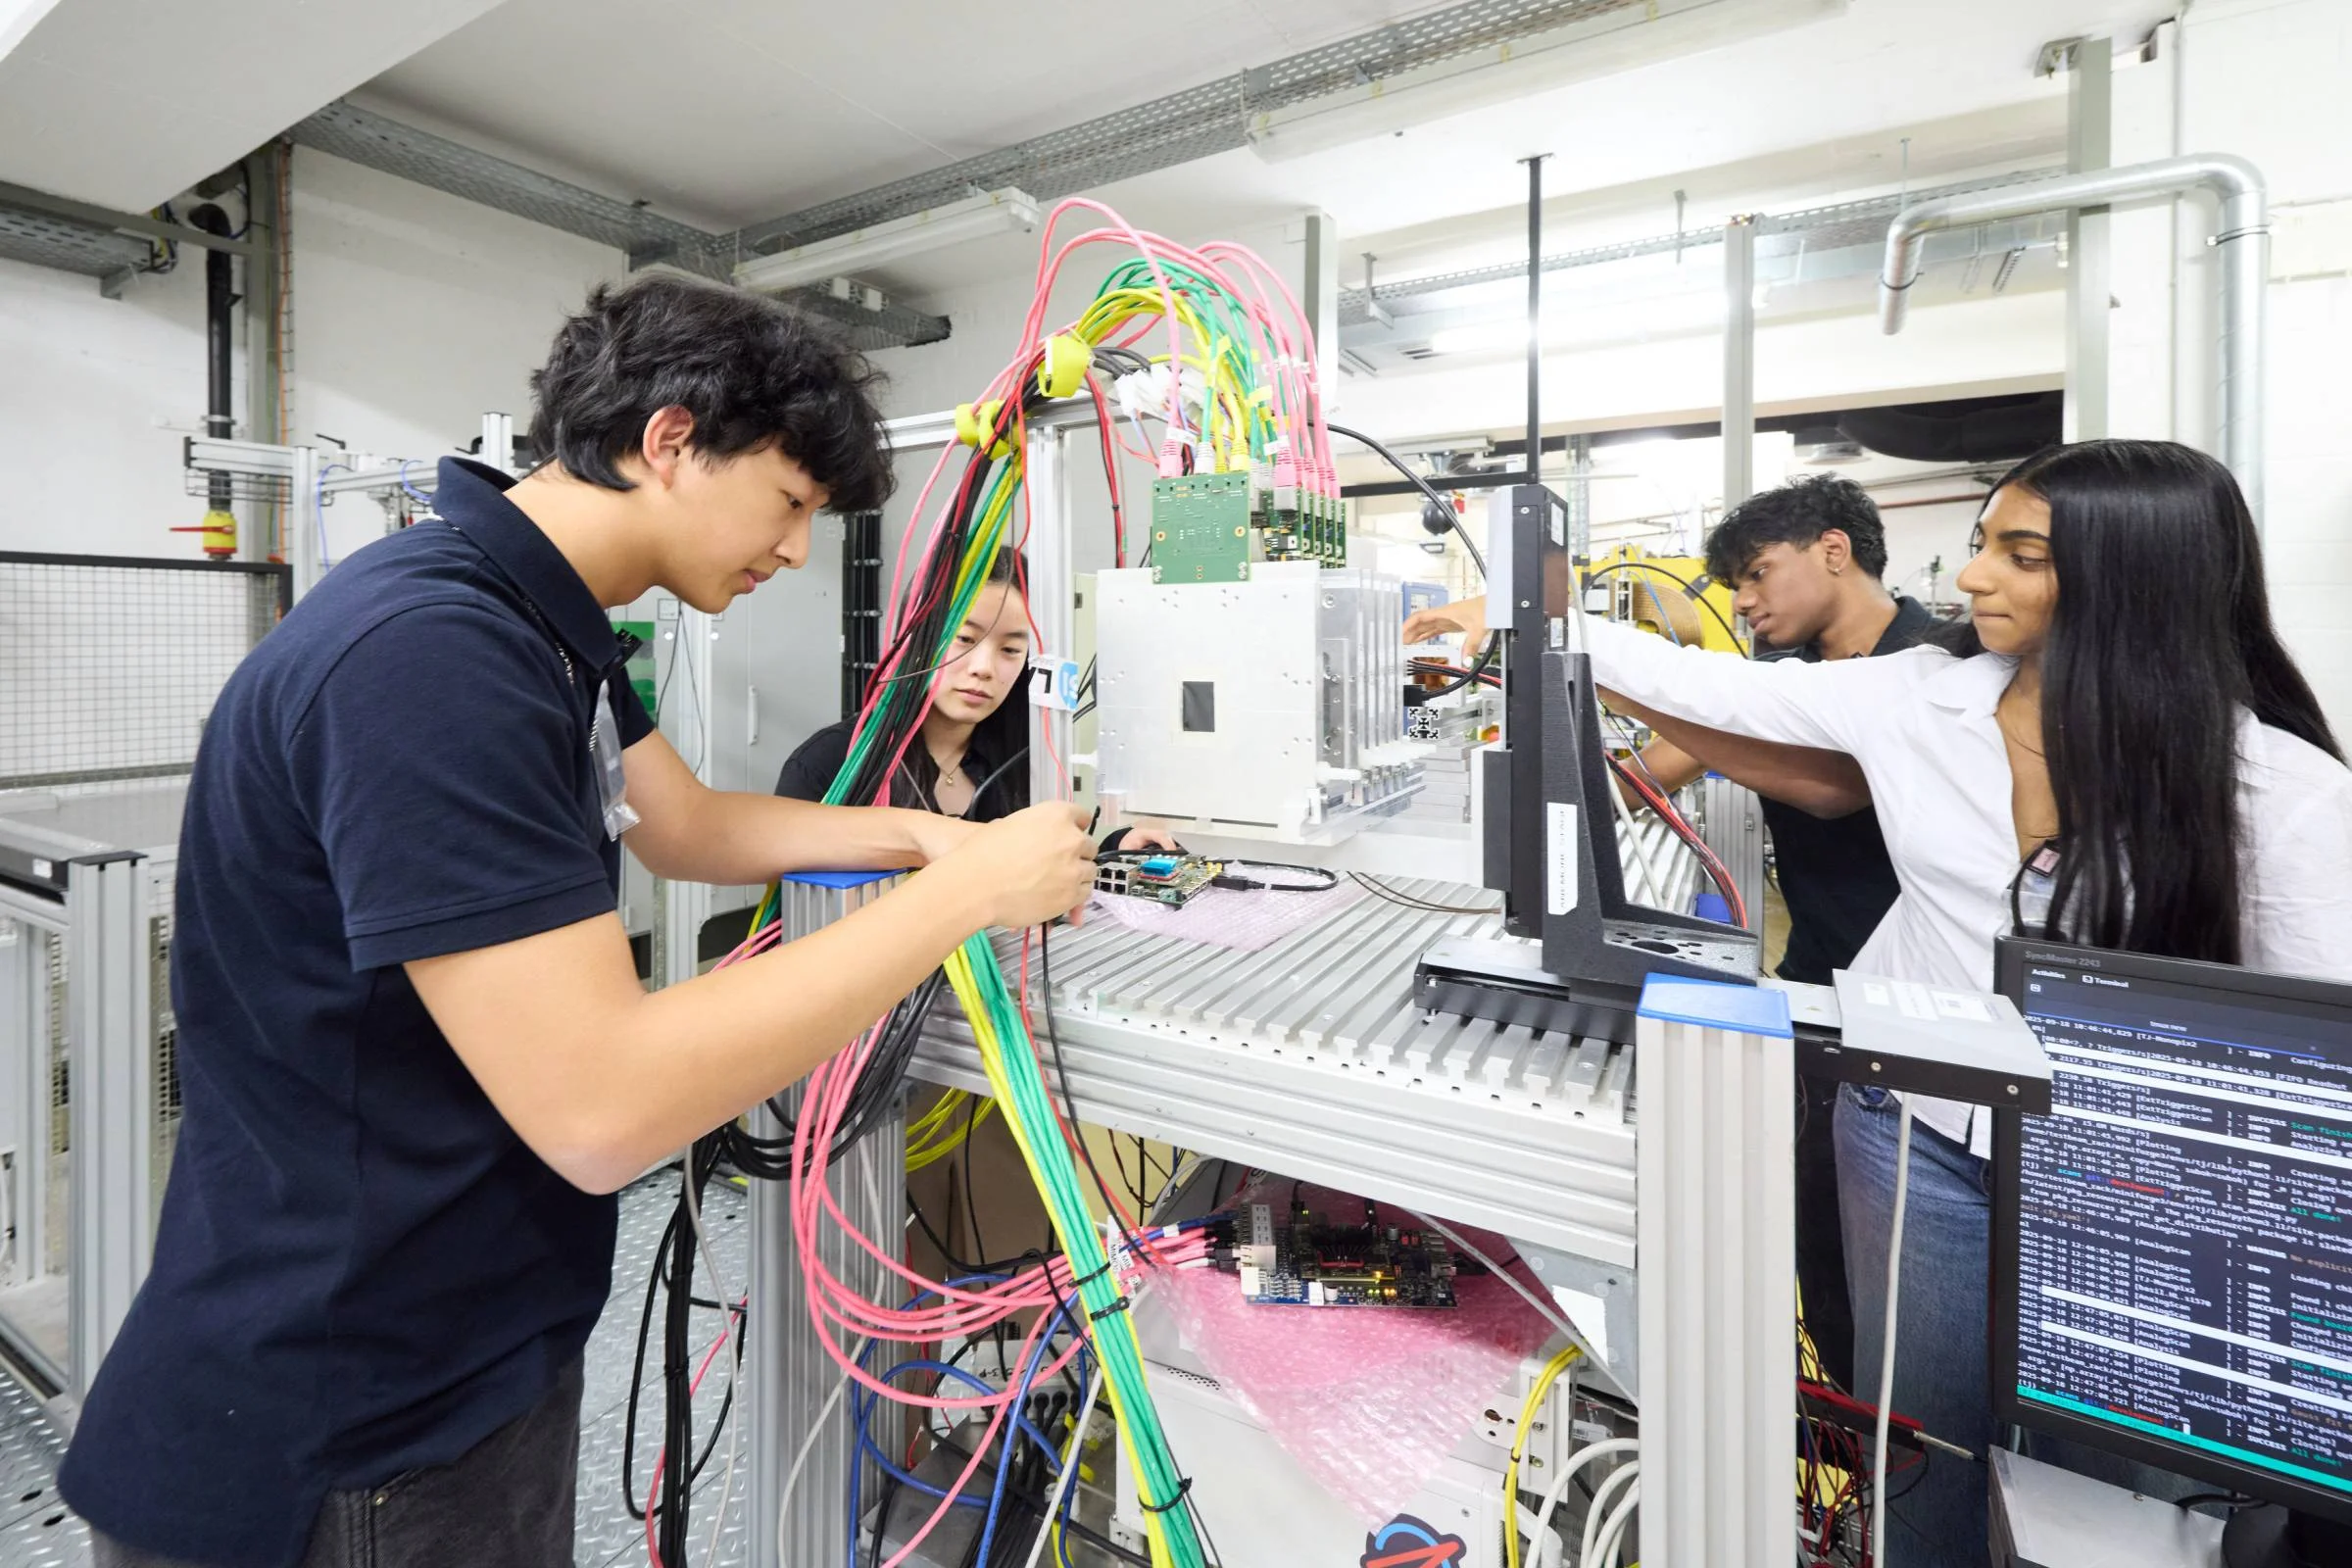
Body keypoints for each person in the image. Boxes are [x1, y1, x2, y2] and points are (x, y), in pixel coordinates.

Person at [59, 275, 1100, 1568]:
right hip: (356, 1424)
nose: (790, 552)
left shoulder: (549, 628)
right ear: (668, 440)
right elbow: (604, 1107)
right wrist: (963, 899)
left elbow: (689, 824)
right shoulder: (431, 654)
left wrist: (925, 838)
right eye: (786, 503)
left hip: (461, 1344)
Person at [1568, 439, 2352, 1566]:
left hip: (2128, 1173)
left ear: (2136, 579)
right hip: (1915, 1132)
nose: (1973, 577)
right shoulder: (1923, 695)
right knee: (1922, 1441)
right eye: (1984, 544)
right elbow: (1724, 688)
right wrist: (1534, 618)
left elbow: (2305, 1064)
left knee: (2105, 1487)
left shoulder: (2280, 794)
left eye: (2016, 554)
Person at [1404, 473, 1938, 1384]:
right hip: (1819, 970)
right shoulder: (1791, 674)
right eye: (1736, 582)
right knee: (1820, 1227)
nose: (1744, 601)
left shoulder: (1929, 661)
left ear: (1835, 551)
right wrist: (1482, 804)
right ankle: (1849, 1444)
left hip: (1917, 1005)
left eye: (1760, 574)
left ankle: (1902, 1468)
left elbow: (1831, 782)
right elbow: (1660, 767)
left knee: (1904, 1271)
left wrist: (1580, 658)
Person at [775, 548, 1179, 857]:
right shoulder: (829, 764)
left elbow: (1036, 868)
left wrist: (1113, 852)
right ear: (917, 638)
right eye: (964, 639)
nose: (983, 668)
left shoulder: (1024, 758)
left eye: (1009, 649)